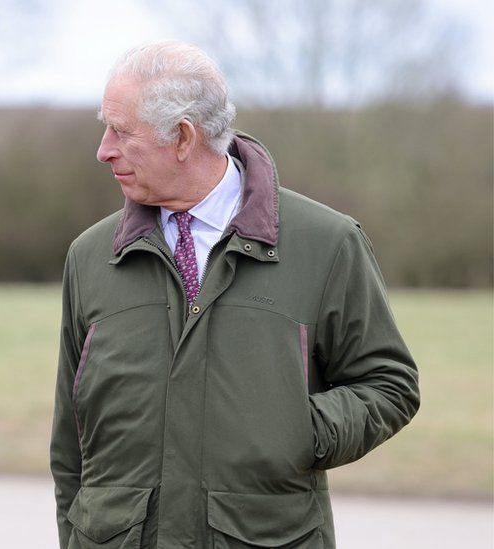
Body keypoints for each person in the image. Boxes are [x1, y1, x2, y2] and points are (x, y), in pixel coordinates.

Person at [50, 41, 419, 548]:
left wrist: (298, 431)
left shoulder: (328, 243)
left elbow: (390, 384)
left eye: (121, 131)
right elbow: (71, 443)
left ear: (182, 137)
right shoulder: (89, 256)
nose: (103, 149)